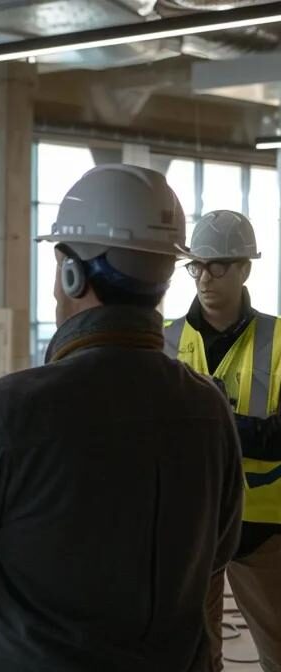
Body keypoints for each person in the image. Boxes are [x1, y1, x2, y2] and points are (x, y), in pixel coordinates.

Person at [0, 165, 244, 672]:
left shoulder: (7, 412)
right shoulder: (207, 408)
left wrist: (17, 574)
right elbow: (217, 553)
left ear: (71, 273)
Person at [165, 209, 281, 672]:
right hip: (189, 524)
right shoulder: (166, 339)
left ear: (245, 268)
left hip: (263, 527)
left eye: (218, 266)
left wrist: (211, 415)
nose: (204, 278)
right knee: (194, 657)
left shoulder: (278, 339)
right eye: (196, 265)